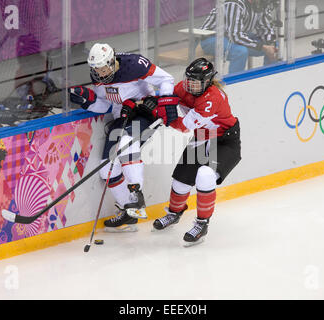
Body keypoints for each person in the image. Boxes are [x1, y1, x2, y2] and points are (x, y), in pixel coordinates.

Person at [69, 43, 177, 232]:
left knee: (127, 144)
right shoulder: (97, 76)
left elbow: (166, 79)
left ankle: (136, 194)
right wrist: (88, 102)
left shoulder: (134, 64)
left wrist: (165, 102)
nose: (100, 74)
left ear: (112, 62)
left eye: (103, 69)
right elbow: (105, 106)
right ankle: (129, 211)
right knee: (106, 169)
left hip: (144, 113)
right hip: (123, 116)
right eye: (96, 70)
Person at [144, 57, 241, 246]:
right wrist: (153, 104)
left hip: (224, 141)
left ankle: (202, 223)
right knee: (180, 181)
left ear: (207, 82)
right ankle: (174, 213)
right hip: (202, 137)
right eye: (188, 80)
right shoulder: (184, 87)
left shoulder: (211, 100)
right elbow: (167, 99)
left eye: (195, 82)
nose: (189, 85)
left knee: (205, 175)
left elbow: (182, 127)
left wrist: (161, 114)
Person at [200, 0, 278, 74]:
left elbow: (265, 28)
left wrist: (270, 44)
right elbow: (235, 36)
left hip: (238, 35)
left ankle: (269, 75)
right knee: (240, 52)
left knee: (274, 47)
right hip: (212, 38)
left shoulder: (261, 3)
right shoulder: (234, 3)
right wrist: (263, 47)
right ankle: (233, 84)